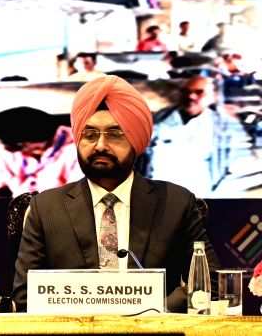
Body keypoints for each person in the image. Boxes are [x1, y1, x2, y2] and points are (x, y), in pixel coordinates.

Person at [13, 75, 217, 312]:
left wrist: (155, 310)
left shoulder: (175, 203)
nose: (100, 145)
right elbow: (25, 296)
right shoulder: (46, 207)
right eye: (89, 135)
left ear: (136, 141)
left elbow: (208, 283)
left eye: (114, 134)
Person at [147, 75, 243, 195]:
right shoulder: (159, 119)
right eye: (186, 92)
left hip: (200, 197)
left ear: (213, 96)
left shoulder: (224, 127)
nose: (191, 96)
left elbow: (233, 170)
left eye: (199, 92)